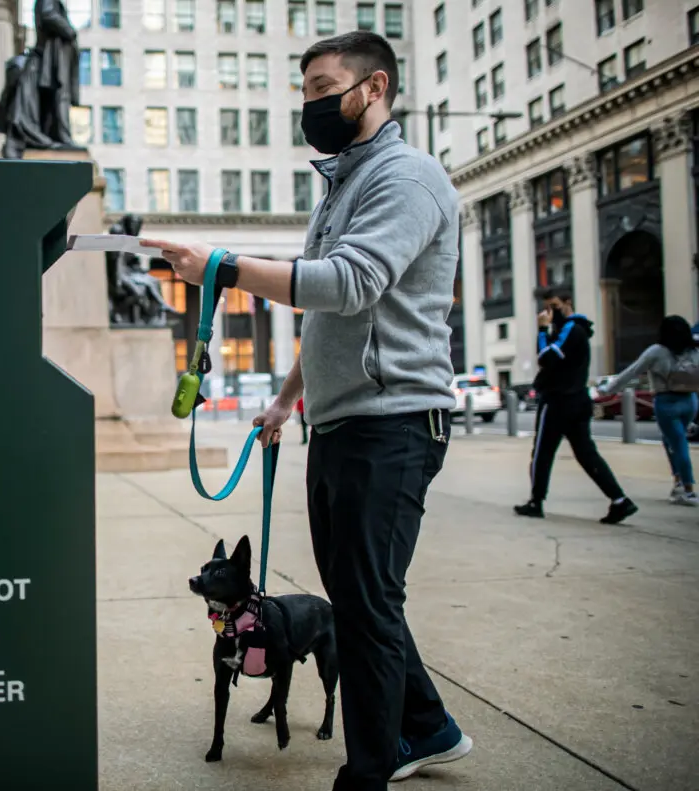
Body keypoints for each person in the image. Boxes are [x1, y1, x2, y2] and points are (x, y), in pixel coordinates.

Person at [142, 30, 470, 791]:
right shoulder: (346, 186)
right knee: (361, 599)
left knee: (365, 606)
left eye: (325, 87)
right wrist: (287, 399)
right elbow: (332, 316)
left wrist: (223, 265)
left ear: (375, 88)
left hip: (394, 423)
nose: (312, 103)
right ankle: (430, 727)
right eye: (306, 91)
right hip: (341, 423)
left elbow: (348, 283)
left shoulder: (408, 178)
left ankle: (370, 768)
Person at [514, 286, 637, 523]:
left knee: (542, 453)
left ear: (568, 303)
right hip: (577, 399)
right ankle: (620, 500)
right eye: (547, 308)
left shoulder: (571, 329)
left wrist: (541, 330)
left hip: (560, 400)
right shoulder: (573, 330)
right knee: (585, 453)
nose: (550, 312)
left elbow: (546, 358)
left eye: (555, 307)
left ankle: (535, 501)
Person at [598, 315, 699, 506]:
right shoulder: (693, 349)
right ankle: (678, 482)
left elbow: (631, 371)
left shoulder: (657, 352)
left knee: (679, 444)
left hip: (667, 402)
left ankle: (688, 489)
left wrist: (607, 389)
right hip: (690, 401)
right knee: (671, 440)